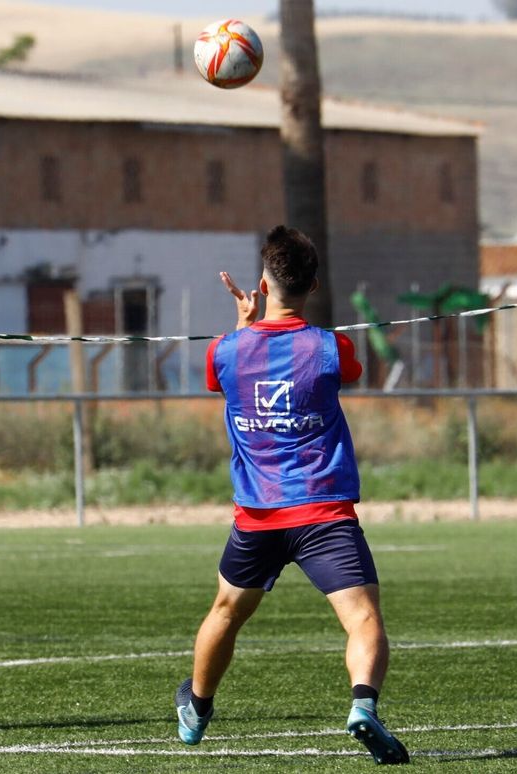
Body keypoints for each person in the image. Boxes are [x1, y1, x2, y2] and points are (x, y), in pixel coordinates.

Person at [174, 225, 409, 765]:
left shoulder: (225, 351)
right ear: (315, 285)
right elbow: (347, 370)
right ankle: (363, 706)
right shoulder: (332, 346)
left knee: (225, 612)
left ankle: (198, 709)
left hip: (257, 517)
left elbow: (222, 373)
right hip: (325, 513)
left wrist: (243, 324)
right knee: (363, 620)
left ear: (261, 282)